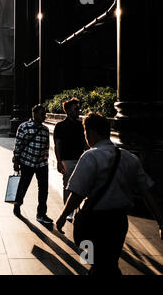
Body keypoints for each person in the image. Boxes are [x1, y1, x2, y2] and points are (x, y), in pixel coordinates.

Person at [56, 113, 156, 276]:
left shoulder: (90, 156)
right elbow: (147, 191)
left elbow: (77, 193)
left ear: (92, 132)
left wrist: (62, 216)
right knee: (110, 261)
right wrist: (161, 222)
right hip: (119, 222)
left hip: (92, 222)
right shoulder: (129, 158)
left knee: (91, 260)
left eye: (86, 133)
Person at [12, 104, 53, 224]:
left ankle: (41, 214)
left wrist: (45, 160)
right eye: (42, 114)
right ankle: (17, 205)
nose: (44, 116)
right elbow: (18, 145)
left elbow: (46, 146)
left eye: (44, 114)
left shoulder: (45, 129)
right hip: (27, 162)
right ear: (34, 114)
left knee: (44, 189)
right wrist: (16, 161)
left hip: (41, 164)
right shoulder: (24, 127)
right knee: (23, 186)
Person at [53, 98, 87, 222]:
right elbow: (58, 145)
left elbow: (85, 143)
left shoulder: (80, 125)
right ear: (67, 110)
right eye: (75, 109)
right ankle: (68, 211)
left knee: (81, 185)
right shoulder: (60, 126)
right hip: (67, 161)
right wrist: (59, 161)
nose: (78, 111)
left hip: (80, 160)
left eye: (78, 108)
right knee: (67, 186)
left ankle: (78, 210)